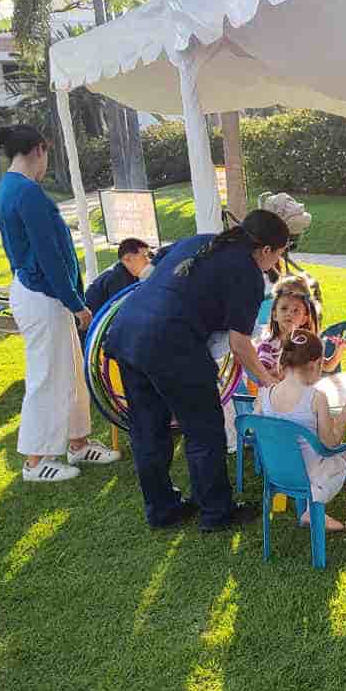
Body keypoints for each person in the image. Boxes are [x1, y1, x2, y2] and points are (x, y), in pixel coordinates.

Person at [104, 210, 288, 531]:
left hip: (127, 332)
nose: (277, 262)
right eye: (280, 254)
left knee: (148, 429)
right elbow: (240, 344)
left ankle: (162, 510)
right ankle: (216, 511)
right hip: (172, 344)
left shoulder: (203, 240)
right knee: (204, 429)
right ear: (267, 250)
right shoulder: (247, 273)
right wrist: (268, 380)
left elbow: (155, 269)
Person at [0, 123, 119, 483]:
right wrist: (75, 302)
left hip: (36, 291)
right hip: (42, 294)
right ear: (39, 150)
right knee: (47, 376)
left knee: (70, 371)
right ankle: (36, 461)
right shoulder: (26, 192)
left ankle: (78, 442)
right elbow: (49, 255)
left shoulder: (7, 188)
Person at [255, 331, 346, 538]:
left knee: (311, 454)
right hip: (313, 475)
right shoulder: (316, 397)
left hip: (277, 472)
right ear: (316, 363)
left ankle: (313, 510)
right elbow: (330, 443)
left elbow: (257, 425)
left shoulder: (265, 394)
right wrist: (344, 417)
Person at [256, 288, 346, 377]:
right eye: (284, 308)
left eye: (296, 310)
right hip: (277, 387)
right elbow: (262, 375)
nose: (289, 313)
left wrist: (339, 349)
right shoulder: (268, 345)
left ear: (304, 319)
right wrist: (283, 367)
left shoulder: (305, 345)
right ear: (275, 315)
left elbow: (328, 366)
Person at [84, 238, 154, 316]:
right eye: (146, 256)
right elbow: (123, 313)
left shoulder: (128, 273)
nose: (150, 261)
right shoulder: (118, 277)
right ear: (128, 258)